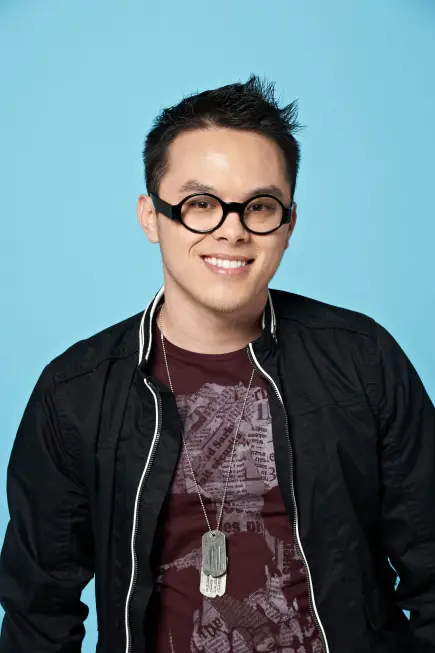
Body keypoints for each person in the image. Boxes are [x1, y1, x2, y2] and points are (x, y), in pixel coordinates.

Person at [0, 75, 434, 653]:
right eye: (201, 204)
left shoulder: (363, 361)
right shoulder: (76, 392)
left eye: (260, 206)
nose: (232, 230)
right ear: (151, 216)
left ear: (288, 224)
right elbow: (38, 612)